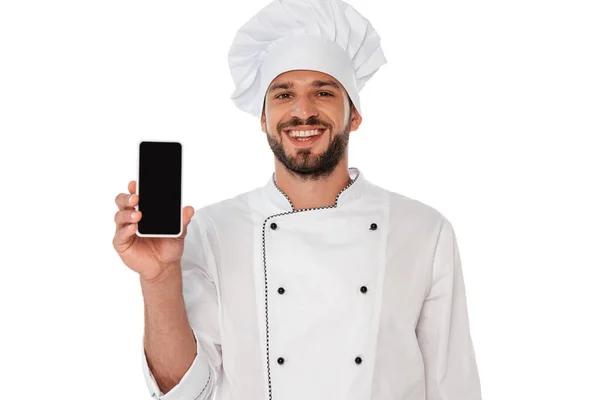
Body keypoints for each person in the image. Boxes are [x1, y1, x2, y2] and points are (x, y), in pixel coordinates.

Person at [112, 0, 482, 399]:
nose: (302, 111)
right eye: (283, 95)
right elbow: (185, 391)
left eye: (323, 92)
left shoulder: (423, 231)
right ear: (263, 118)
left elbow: (453, 386)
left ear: (353, 115)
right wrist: (158, 277)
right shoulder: (215, 230)